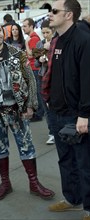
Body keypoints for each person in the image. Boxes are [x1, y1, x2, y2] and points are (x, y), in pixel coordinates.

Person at [0, 16, 55, 201]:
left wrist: (30, 105)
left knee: (27, 147)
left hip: (18, 110)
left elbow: (30, 79)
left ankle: (34, 183)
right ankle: (5, 183)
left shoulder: (16, 53)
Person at [41, 0, 90, 219]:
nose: (50, 14)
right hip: (56, 112)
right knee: (65, 160)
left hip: (76, 114)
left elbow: (88, 81)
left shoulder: (83, 40)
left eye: (54, 11)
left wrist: (84, 115)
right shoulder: (57, 40)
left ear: (69, 15)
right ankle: (73, 199)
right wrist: (49, 101)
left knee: (84, 162)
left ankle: (88, 206)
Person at [33, 19, 55, 145]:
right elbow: (36, 63)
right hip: (42, 77)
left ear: (53, 31)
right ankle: (51, 132)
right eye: (43, 33)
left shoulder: (57, 43)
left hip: (54, 78)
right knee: (46, 107)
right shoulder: (40, 44)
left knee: (55, 106)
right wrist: (40, 60)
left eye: (47, 32)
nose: (45, 35)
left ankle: (58, 130)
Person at [22, 18, 44, 122]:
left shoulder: (33, 38)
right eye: (23, 26)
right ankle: (38, 112)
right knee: (35, 91)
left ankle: (39, 113)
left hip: (34, 68)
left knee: (37, 91)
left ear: (31, 26)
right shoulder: (31, 37)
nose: (23, 28)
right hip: (32, 68)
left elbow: (32, 55)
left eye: (25, 26)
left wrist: (26, 44)